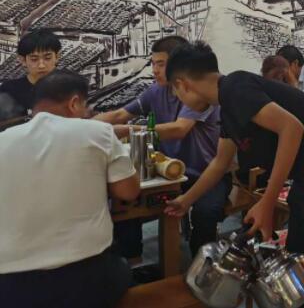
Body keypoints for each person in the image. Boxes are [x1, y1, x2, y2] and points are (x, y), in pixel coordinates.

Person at [163, 42, 304, 308]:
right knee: (302, 260)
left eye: (175, 92)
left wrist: (267, 203)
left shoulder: (235, 87)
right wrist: (186, 201)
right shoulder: (228, 105)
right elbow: (220, 163)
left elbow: (292, 128)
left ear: (182, 84)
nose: (179, 100)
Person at [0, 70, 139, 308]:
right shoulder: (98, 132)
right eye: (85, 107)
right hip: (85, 280)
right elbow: (128, 192)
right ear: (74, 103)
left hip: (10, 289)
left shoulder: (3, 140)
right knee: (123, 268)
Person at [93, 35, 226, 259]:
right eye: (153, 63)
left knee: (205, 213)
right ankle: (132, 260)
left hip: (206, 174)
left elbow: (179, 129)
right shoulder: (156, 91)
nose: (154, 70)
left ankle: (203, 264)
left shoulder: (196, 93)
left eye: (161, 64)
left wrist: (127, 130)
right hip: (170, 174)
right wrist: (83, 127)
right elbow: (120, 114)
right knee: (126, 201)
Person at [0, 29, 61, 120]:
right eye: (34, 59)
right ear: (23, 60)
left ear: (57, 57)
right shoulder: (9, 90)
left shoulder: (72, 87)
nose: (41, 65)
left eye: (47, 58)